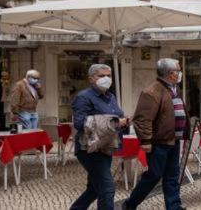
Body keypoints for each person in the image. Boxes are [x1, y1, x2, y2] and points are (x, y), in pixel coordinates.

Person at [124, 58, 186, 210]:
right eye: (178, 70)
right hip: (159, 142)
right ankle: (130, 204)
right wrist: (145, 141)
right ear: (170, 73)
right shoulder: (152, 91)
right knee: (153, 175)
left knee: (172, 175)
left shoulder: (174, 89)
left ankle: (174, 206)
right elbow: (142, 119)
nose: (180, 73)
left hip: (173, 140)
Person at [71, 64, 128, 210]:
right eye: (101, 76)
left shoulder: (110, 96)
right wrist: (114, 122)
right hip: (89, 149)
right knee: (107, 188)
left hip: (106, 147)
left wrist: (124, 122)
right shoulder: (83, 97)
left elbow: (115, 118)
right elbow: (80, 123)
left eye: (109, 75)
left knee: (94, 189)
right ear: (91, 79)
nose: (106, 78)